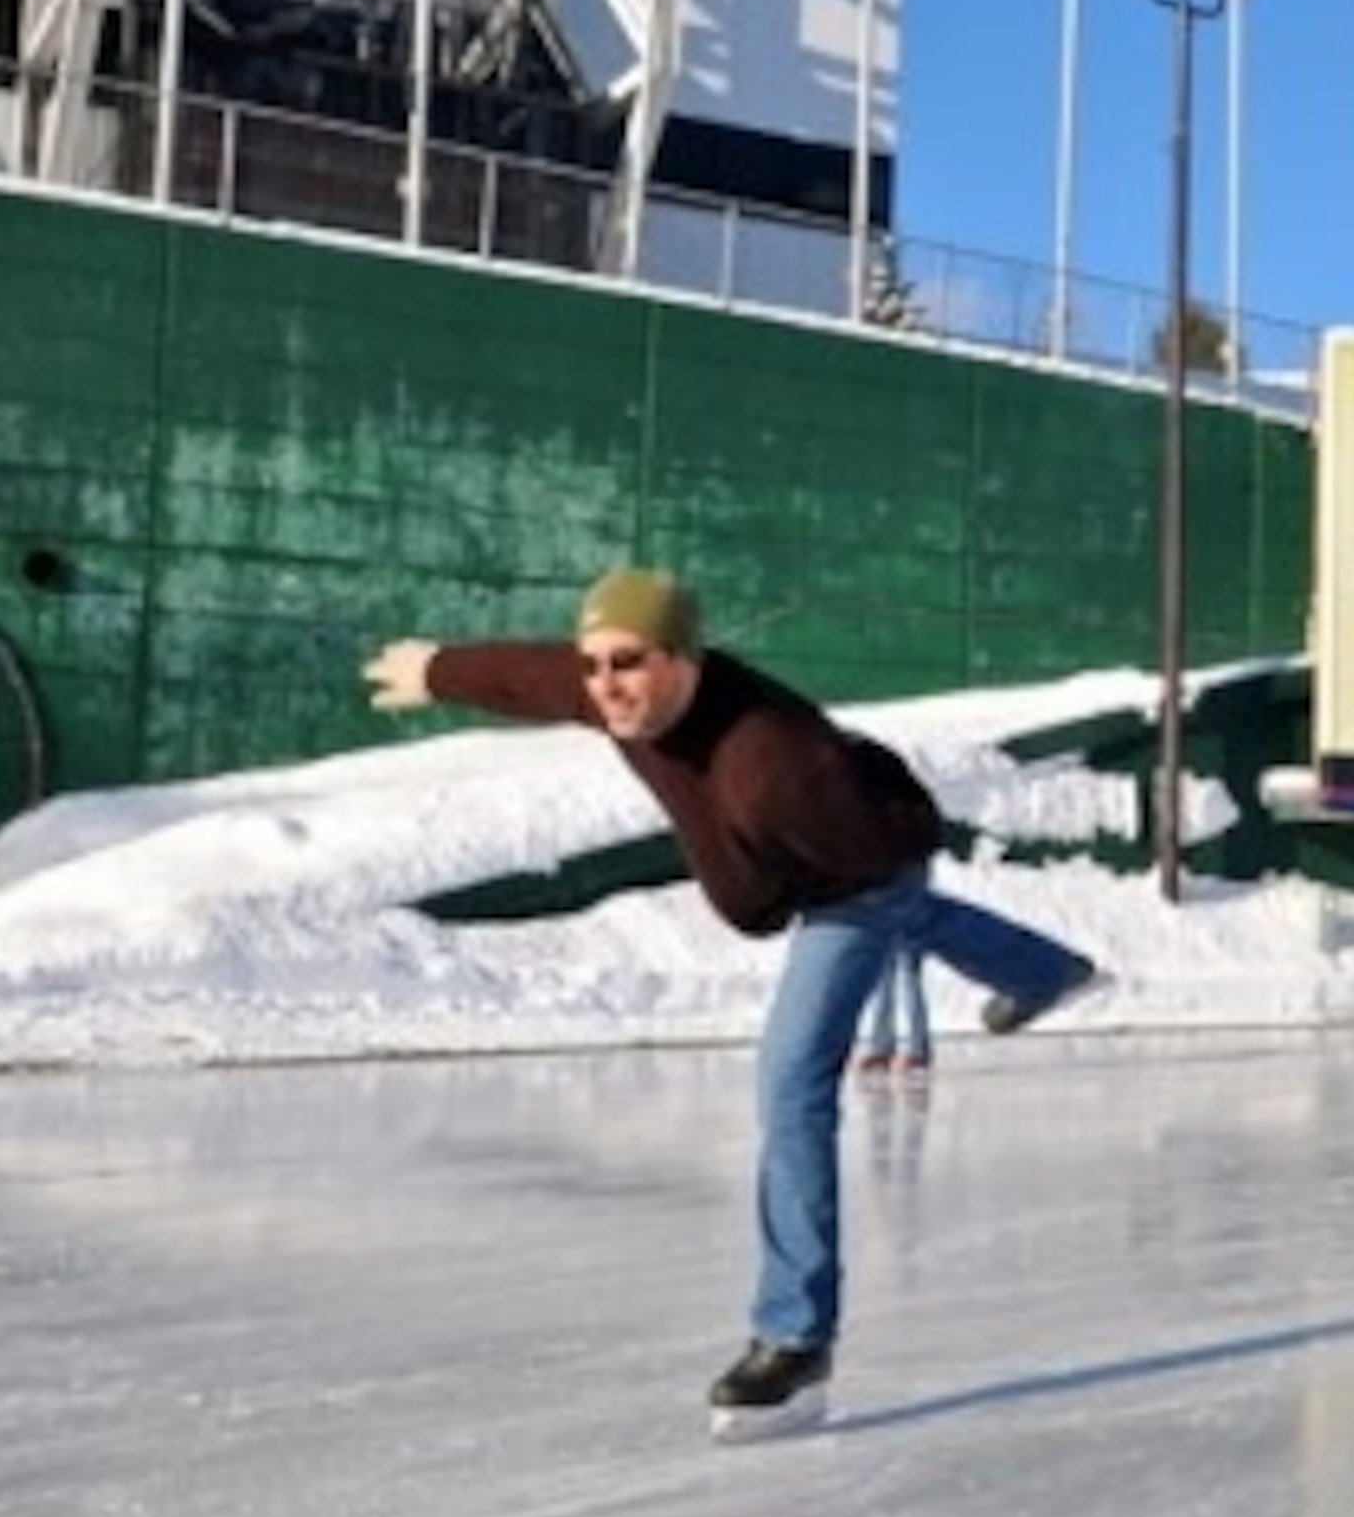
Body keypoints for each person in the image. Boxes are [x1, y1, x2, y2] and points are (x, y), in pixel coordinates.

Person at [359, 566, 1098, 1438]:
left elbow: (810, 882)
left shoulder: (774, 767)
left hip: (863, 856)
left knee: (793, 1077)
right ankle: (1046, 971)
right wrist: (439, 668)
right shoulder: (616, 691)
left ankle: (794, 1338)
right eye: (595, 665)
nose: (606, 687)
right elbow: (535, 675)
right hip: (834, 843)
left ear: (685, 660)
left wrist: (768, 887)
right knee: (919, 919)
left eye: (626, 663)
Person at [856, 938, 931, 1077]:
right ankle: (881, 1046)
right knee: (882, 974)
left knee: (908, 975)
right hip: (884, 923)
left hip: (910, 926)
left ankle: (918, 1049)